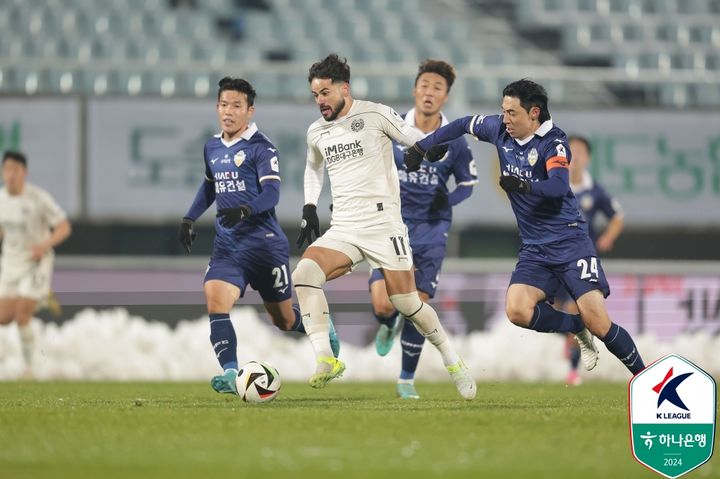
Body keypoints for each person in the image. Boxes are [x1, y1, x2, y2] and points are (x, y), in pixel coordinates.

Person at [404, 79, 644, 377]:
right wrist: (422, 146)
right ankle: (576, 326)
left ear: (534, 113)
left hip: (569, 240)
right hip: (534, 246)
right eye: (503, 111)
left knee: (600, 323)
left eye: (512, 113)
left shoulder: (553, 142)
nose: (505, 119)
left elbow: (558, 186)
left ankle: (646, 379)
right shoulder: (500, 129)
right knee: (517, 310)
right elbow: (464, 124)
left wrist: (525, 185)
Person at [292, 54, 476, 399]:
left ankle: (453, 361)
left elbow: (410, 135)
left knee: (407, 304)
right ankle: (326, 359)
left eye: (326, 93)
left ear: (344, 88)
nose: (320, 102)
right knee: (303, 275)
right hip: (344, 225)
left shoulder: (375, 113)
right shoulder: (316, 131)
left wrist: (428, 150)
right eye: (316, 95)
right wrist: (308, 206)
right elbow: (313, 168)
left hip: (384, 225)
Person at [179, 77, 339, 395]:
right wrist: (189, 217)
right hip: (227, 246)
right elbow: (210, 185)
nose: (228, 111)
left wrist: (246, 210)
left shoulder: (261, 148)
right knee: (215, 300)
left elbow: (272, 193)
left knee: (282, 319)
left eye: (236, 105)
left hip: (264, 246)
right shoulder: (212, 147)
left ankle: (321, 327)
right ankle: (229, 373)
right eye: (224, 104)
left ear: (249, 111)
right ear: (217, 107)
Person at [367, 59, 477, 399]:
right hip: (390, 224)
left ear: (445, 97)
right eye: (425, 85)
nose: (430, 93)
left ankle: (405, 380)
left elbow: (468, 184)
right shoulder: (391, 125)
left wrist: (446, 202)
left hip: (431, 228)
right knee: (385, 306)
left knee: (418, 305)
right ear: (415, 90)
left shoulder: (454, 139)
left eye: (437, 88)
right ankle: (387, 324)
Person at [559, 135, 625, 385]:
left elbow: (617, 216)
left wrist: (607, 237)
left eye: (579, 152)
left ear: (587, 158)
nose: (575, 157)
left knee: (575, 309)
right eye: (570, 151)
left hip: (581, 260)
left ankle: (573, 369)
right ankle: (574, 341)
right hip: (551, 257)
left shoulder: (595, 191)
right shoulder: (555, 184)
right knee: (550, 312)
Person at [0, 150, 72, 378]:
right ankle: (44, 294)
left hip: (35, 262)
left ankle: (29, 369)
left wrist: (44, 245)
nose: (11, 175)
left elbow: (64, 227)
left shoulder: (38, 198)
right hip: (11, 264)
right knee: (4, 318)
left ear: (25, 172)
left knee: (23, 314)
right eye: (7, 169)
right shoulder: (1, 199)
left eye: (16, 170)